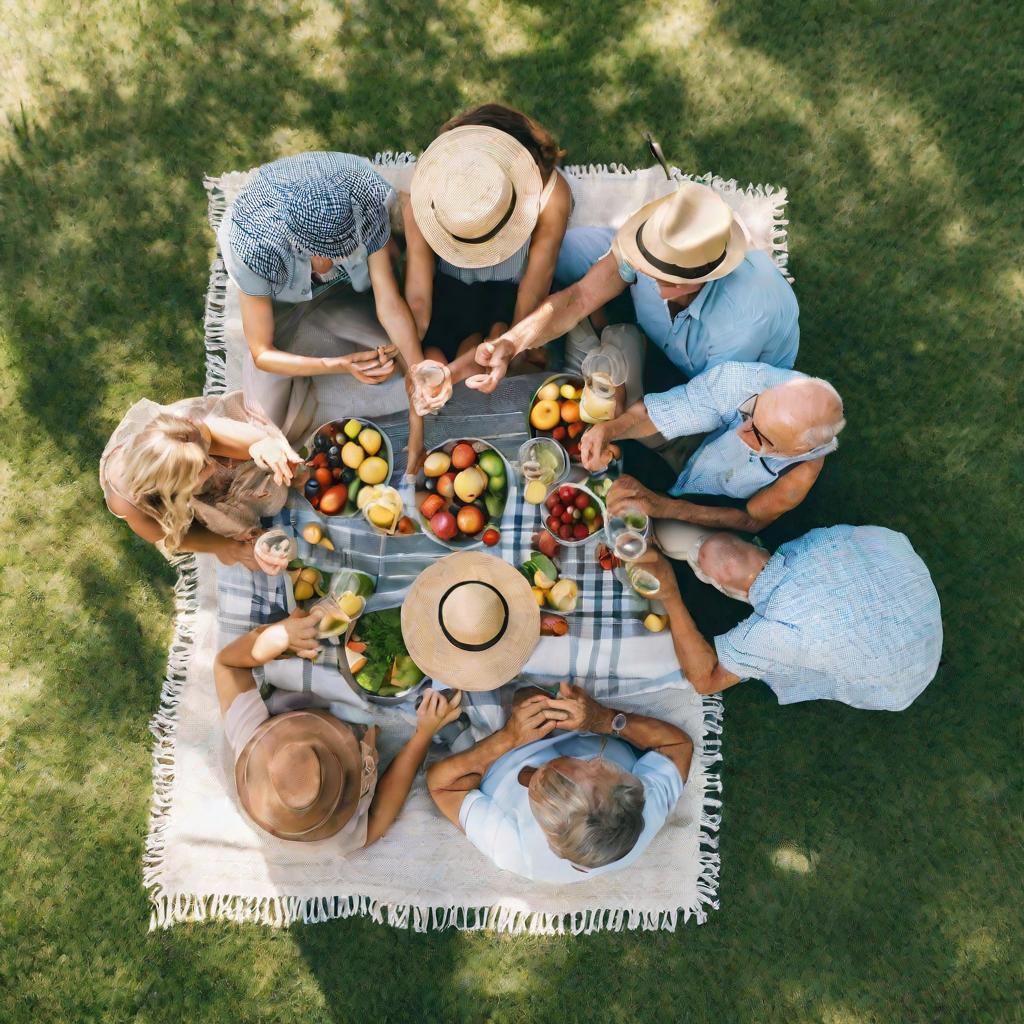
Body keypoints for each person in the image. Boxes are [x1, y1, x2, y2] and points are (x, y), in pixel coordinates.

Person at [463, 180, 799, 397]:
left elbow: (705, 400)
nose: (640, 270)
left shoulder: (744, 321)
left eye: (657, 271)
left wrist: (619, 421)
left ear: (697, 277)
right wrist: (512, 342)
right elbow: (579, 297)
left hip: (728, 379)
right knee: (565, 251)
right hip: (667, 341)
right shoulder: (646, 246)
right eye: (642, 262)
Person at [218, 151, 425, 457]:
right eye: (321, 254)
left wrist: (418, 372)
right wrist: (337, 365)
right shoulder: (255, 249)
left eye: (345, 247)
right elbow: (262, 352)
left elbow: (389, 301)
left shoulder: (365, 201)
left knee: (394, 362)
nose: (329, 264)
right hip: (283, 305)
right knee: (268, 430)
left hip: (345, 294)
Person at [215, 607, 463, 845]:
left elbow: (227, 665)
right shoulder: (334, 831)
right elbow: (375, 821)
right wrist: (423, 735)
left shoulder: (255, 745)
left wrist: (277, 636)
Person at [636, 528, 942, 711]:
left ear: (724, 590)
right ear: (756, 543)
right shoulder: (818, 541)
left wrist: (671, 596)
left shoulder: (773, 633)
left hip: (900, 677)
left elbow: (706, 681)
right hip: (909, 592)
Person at [426, 684, 692, 883]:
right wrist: (604, 719)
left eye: (562, 765)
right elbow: (677, 745)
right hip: (585, 719)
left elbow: (442, 786)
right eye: (594, 765)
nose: (595, 761)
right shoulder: (645, 810)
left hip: (499, 749)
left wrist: (509, 737)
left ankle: (469, 734)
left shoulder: (513, 848)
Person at [404, 105, 572, 411]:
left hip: (506, 292)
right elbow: (418, 298)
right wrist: (411, 355)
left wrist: (511, 348)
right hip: (448, 288)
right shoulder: (436, 188)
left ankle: (461, 364)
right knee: (432, 353)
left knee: (493, 347)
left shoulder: (550, 197)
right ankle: (446, 368)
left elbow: (533, 290)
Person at [581, 361, 845, 538]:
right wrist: (610, 430)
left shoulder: (801, 472)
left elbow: (750, 519)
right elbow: (665, 411)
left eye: (759, 435)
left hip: (708, 501)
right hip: (696, 442)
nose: (742, 429)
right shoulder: (743, 380)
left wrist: (666, 508)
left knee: (676, 545)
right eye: (751, 412)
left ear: (797, 449)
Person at [99, 391, 301, 569]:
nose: (213, 466)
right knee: (229, 529)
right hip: (169, 491)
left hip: (188, 446)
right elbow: (170, 537)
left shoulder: (184, 433)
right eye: (203, 468)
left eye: (206, 458)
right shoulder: (125, 503)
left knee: (277, 433)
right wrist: (230, 548)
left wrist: (261, 445)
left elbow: (251, 442)